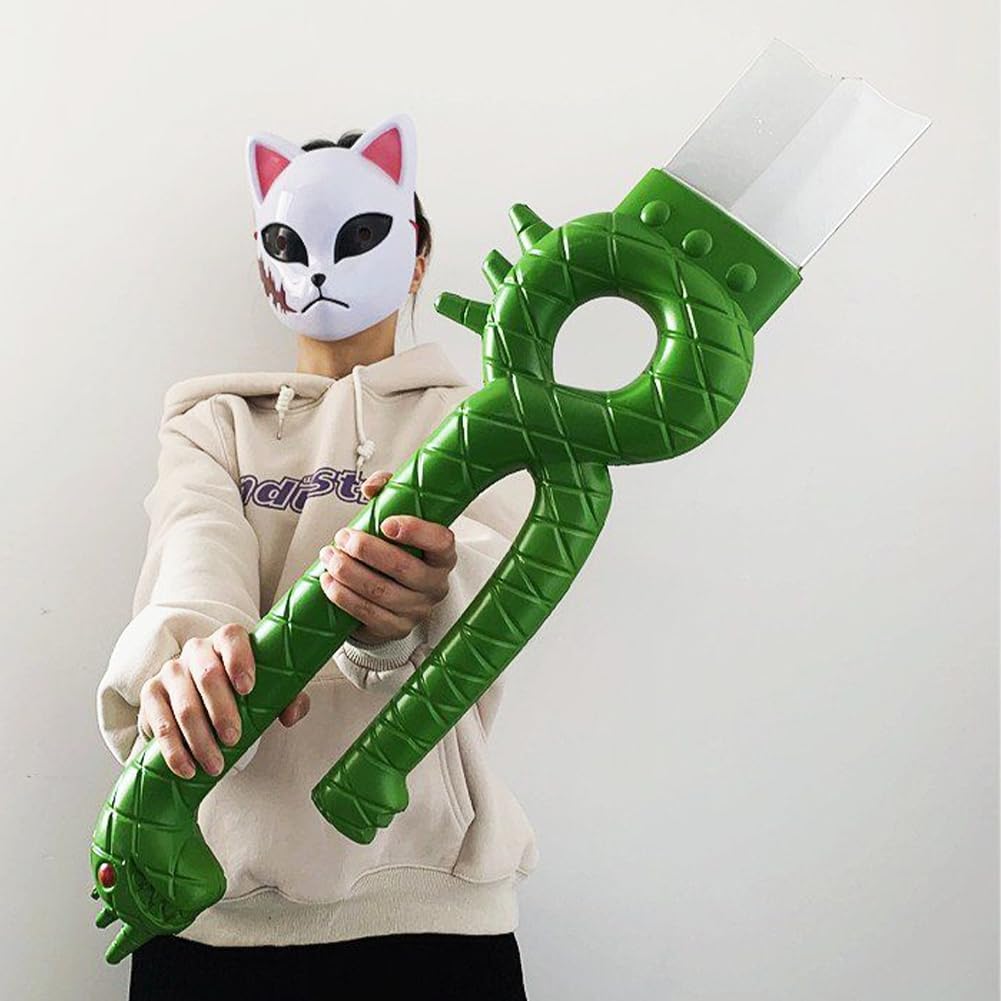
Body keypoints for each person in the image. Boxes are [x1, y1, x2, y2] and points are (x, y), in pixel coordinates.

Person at [96, 115, 536, 1001]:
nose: (323, 267)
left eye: (361, 232)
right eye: (292, 242)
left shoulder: (486, 423)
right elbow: (193, 562)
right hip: (210, 898)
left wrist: (407, 608)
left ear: (417, 255)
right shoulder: (212, 424)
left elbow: (491, 589)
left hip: (430, 907)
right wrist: (187, 672)